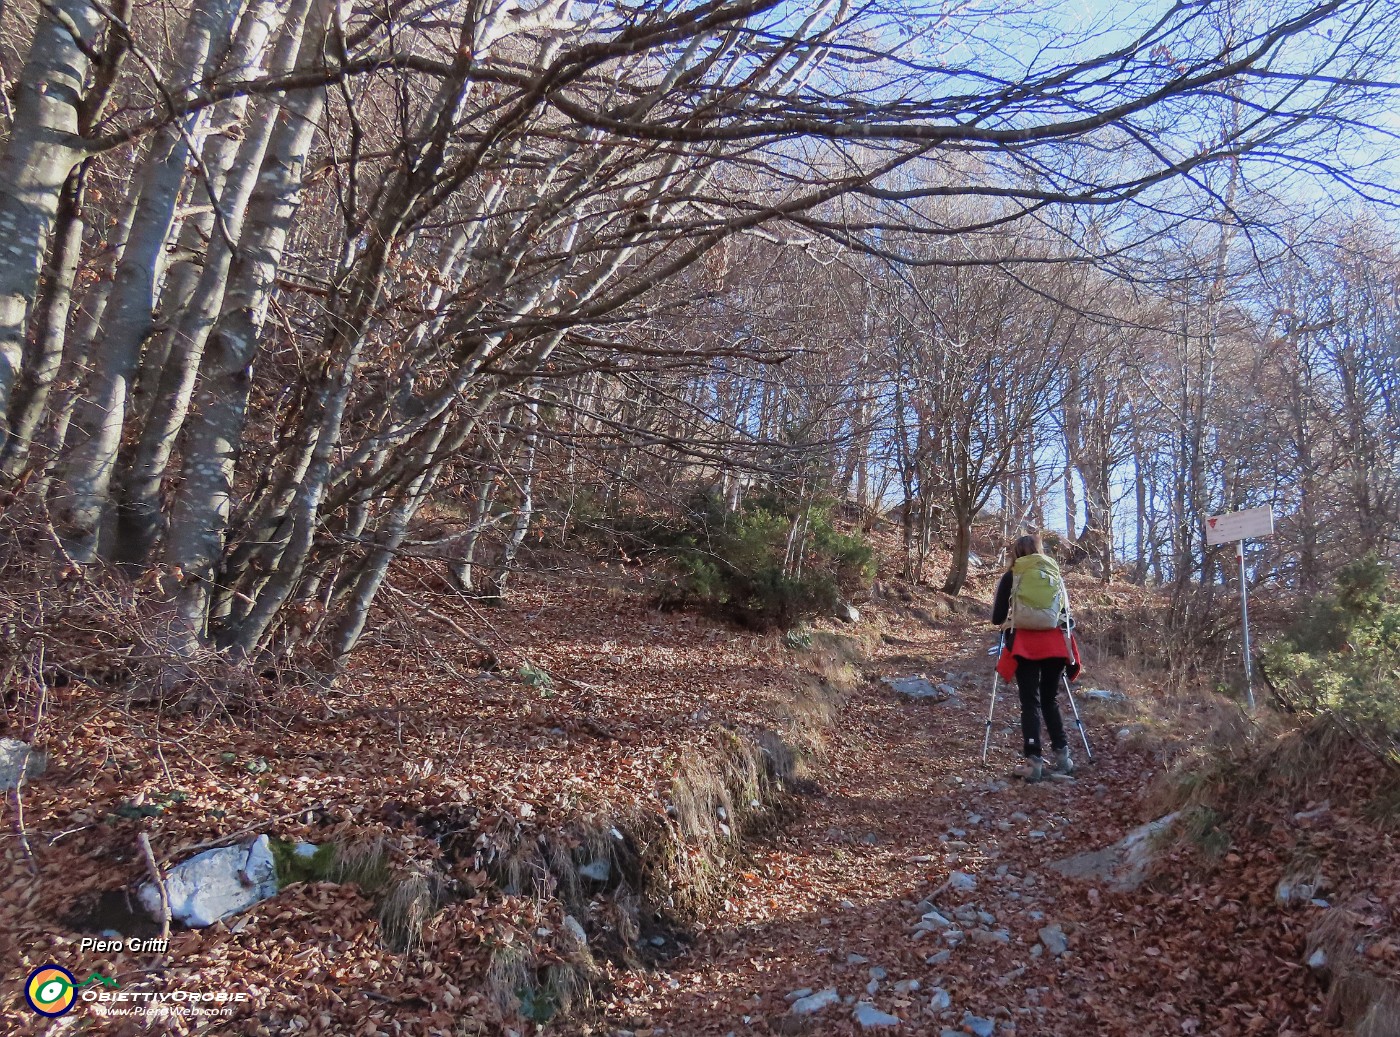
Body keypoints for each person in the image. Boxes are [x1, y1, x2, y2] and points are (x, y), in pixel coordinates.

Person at [990, 533, 1082, 782]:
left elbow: (997, 618)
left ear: (1016, 553)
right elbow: (1064, 612)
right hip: (1054, 645)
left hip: (1025, 644)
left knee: (1030, 702)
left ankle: (1034, 763)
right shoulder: (1054, 575)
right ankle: (1063, 758)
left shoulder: (1012, 575)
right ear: (1040, 550)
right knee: (1050, 699)